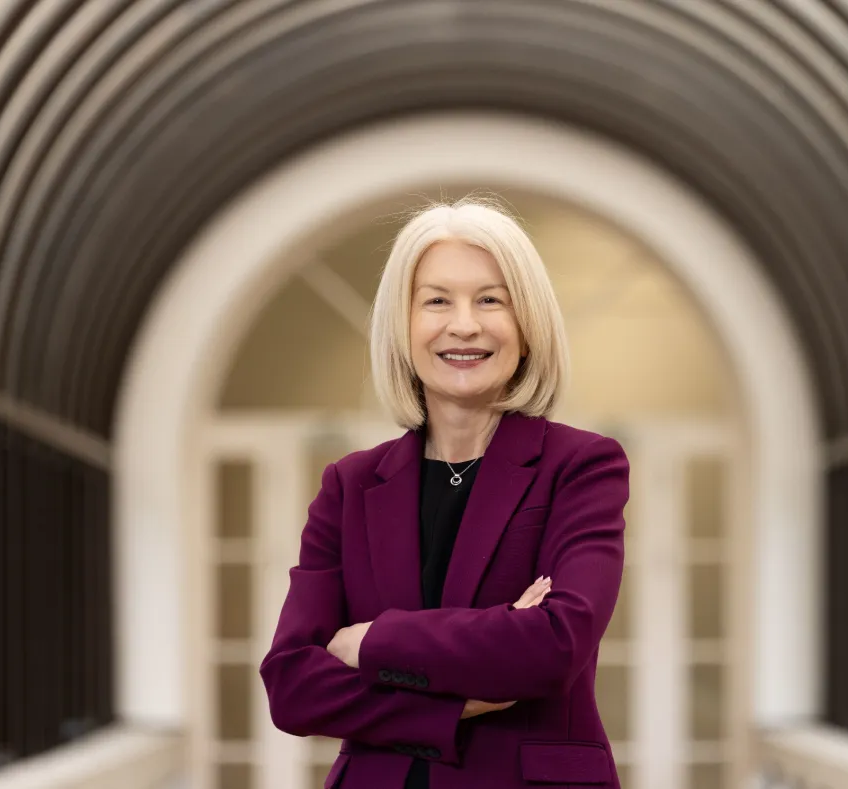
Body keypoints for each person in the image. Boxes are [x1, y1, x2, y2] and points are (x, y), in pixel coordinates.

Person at [259, 197, 630, 788]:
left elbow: (555, 645)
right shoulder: (350, 485)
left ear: (527, 326)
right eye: (436, 300)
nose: (464, 325)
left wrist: (374, 640)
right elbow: (292, 685)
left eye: (491, 299)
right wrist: (456, 698)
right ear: (402, 328)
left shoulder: (581, 467)